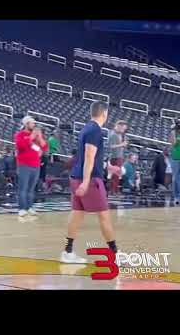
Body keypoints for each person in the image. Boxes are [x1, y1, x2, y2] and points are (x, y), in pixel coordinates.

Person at [61, 101, 117, 263]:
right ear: (104, 113)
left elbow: (91, 155)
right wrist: (86, 182)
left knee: (77, 214)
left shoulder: (86, 128)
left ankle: (67, 252)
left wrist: (108, 167)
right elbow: (89, 157)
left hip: (76, 177)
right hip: (90, 180)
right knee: (104, 217)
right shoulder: (95, 130)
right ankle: (115, 255)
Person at [14, 116, 48, 220]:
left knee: (31, 188)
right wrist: (31, 137)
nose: (34, 125)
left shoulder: (36, 136)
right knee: (23, 188)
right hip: (24, 164)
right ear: (26, 124)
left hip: (36, 165)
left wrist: (40, 138)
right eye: (32, 123)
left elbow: (45, 147)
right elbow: (21, 146)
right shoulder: (20, 135)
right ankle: (22, 208)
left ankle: (29, 207)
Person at [108, 120, 128, 195]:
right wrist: (122, 145)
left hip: (119, 156)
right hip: (115, 157)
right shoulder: (113, 135)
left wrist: (123, 145)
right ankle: (113, 190)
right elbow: (111, 146)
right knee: (115, 175)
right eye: (123, 128)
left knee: (117, 175)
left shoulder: (120, 135)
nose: (124, 130)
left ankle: (115, 190)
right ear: (119, 126)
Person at [169, 120, 180, 205]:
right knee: (175, 177)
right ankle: (176, 196)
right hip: (175, 157)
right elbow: (174, 144)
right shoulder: (173, 133)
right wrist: (175, 133)